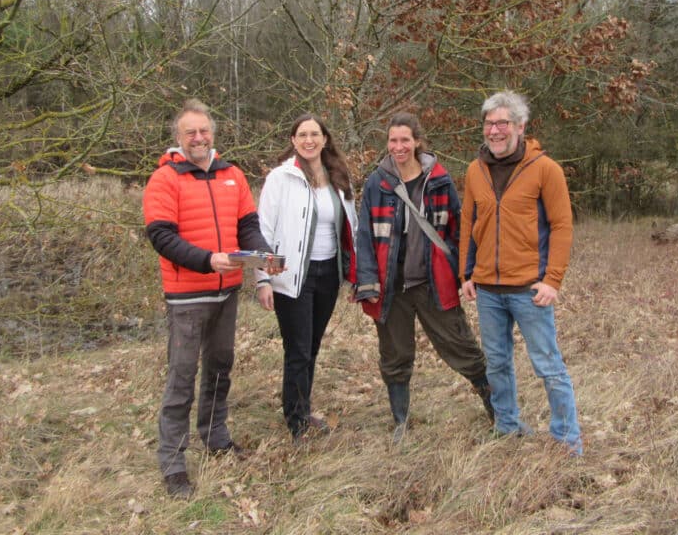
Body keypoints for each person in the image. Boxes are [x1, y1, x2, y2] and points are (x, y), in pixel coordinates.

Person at [142, 99, 281, 499]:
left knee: (220, 368)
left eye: (204, 131)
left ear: (213, 134)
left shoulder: (232, 175)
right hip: (186, 295)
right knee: (182, 377)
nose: (198, 138)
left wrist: (262, 254)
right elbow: (161, 237)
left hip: (227, 292)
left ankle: (215, 437)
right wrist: (207, 261)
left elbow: (248, 225)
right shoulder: (164, 179)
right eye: (190, 132)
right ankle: (173, 464)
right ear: (178, 137)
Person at [355, 112, 494, 445]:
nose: (398, 147)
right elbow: (364, 236)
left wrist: (464, 273)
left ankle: (497, 409)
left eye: (405, 140)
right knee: (395, 355)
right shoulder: (377, 182)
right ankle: (400, 422)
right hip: (391, 287)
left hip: (433, 283)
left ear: (417, 141)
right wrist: (367, 281)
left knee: (462, 347)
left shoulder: (439, 180)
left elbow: (458, 231)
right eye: (393, 140)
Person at [459, 90, 583, 455]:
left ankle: (567, 439)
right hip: (488, 289)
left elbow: (561, 226)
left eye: (503, 123)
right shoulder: (475, 170)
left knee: (548, 365)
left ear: (520, 126)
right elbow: (469, 222)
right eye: (489, 123)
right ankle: (507, 426)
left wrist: (552, 280)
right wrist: (467, 273)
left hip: (530, 289)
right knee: (497, 364)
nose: (495, 131)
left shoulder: (545, 169)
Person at [255, 113, 358, 444]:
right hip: (292, 276)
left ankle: (303, 407)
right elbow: (263, 229)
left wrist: (355, 274)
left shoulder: (338, 177)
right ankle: (296, 420)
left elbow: (351, 227)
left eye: (315, 134)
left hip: (329, 274)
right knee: (297, 349)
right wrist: (262, 278)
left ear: (325, 139)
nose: (309, 140)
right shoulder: (280, 178)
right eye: (302, 134)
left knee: (311, 346)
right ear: (293, 140)